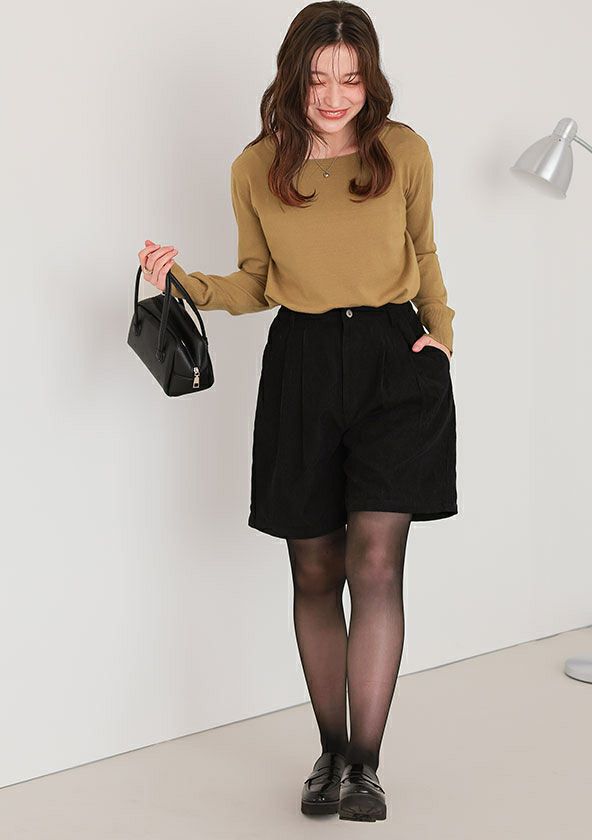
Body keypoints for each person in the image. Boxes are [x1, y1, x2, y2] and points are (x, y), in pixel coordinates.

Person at [139, 0, 457, 823]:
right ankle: (330, 752)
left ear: (370, 79)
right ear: (294, 77)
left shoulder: (403, 151)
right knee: (315, 570)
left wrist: (442, 335)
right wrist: (182, 282)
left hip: (395, 360)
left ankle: (366, 767)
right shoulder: (257, 168)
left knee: (376, 565)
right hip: (303, 365)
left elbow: (424, 249)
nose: (335, 95)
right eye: (319, 78)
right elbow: (255, 283)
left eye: (351, 79)